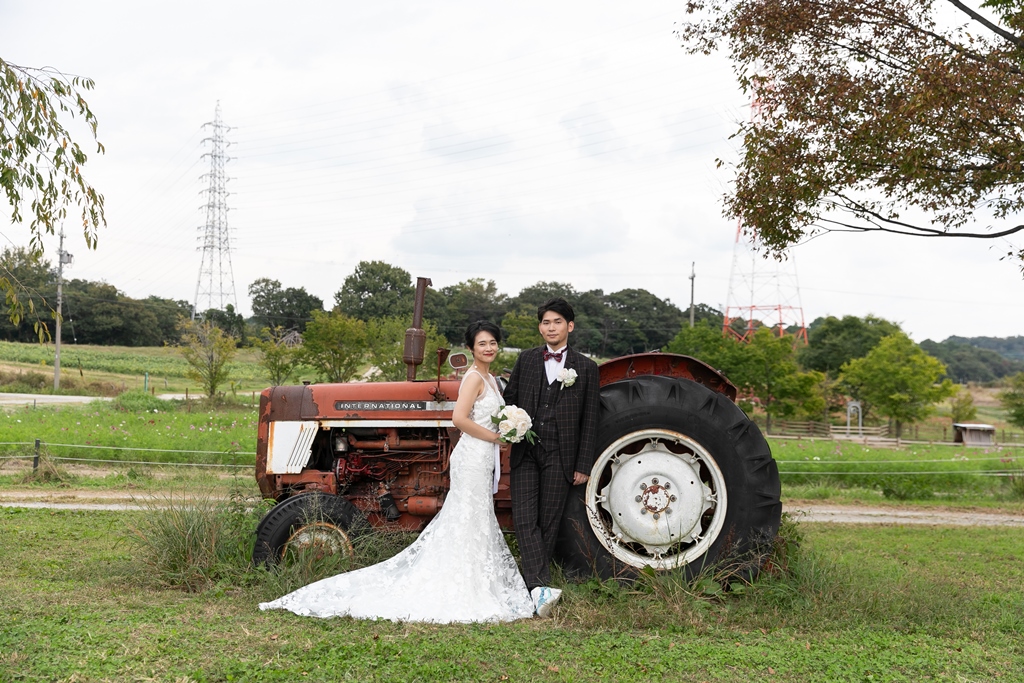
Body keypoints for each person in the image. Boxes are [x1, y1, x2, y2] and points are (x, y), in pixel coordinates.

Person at [259, 320, 534, 623]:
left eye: (493, 342)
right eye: (482, 343)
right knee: (468, 515)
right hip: (473, 456)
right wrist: (495, 436)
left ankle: (476, 581)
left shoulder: (490, 378)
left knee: (476, 516)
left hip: (483, 457)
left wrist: (505, 430)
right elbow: (459, 418)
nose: (489, 348)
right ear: (470, 348)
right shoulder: (472, 378)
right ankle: (465, 583)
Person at [502, 297, 600, 618]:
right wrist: (510, 426)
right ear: (540, 327)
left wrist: (583, 465)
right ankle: (538, 587)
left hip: (562, 454)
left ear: (569, 326)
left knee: (548, 521)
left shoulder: (586, 368)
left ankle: (532, 587)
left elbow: (590, 420)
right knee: (524, 518)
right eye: (546, 322)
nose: (551, 328)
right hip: (526, 451)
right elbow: (510, 401)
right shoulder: (527, 360)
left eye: (558, 322)